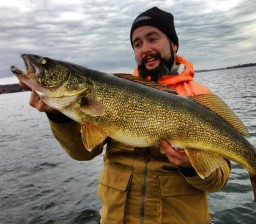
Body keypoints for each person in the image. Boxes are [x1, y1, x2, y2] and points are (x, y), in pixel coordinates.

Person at [19, 7, 231, 224]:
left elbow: (218, 181)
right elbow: (84, 153)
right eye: (137, 44)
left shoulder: (200, 97)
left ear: (174, 44)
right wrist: (59, 116)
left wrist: (191, 165)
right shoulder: (115, 91)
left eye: (152, 38)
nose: (145, 48)